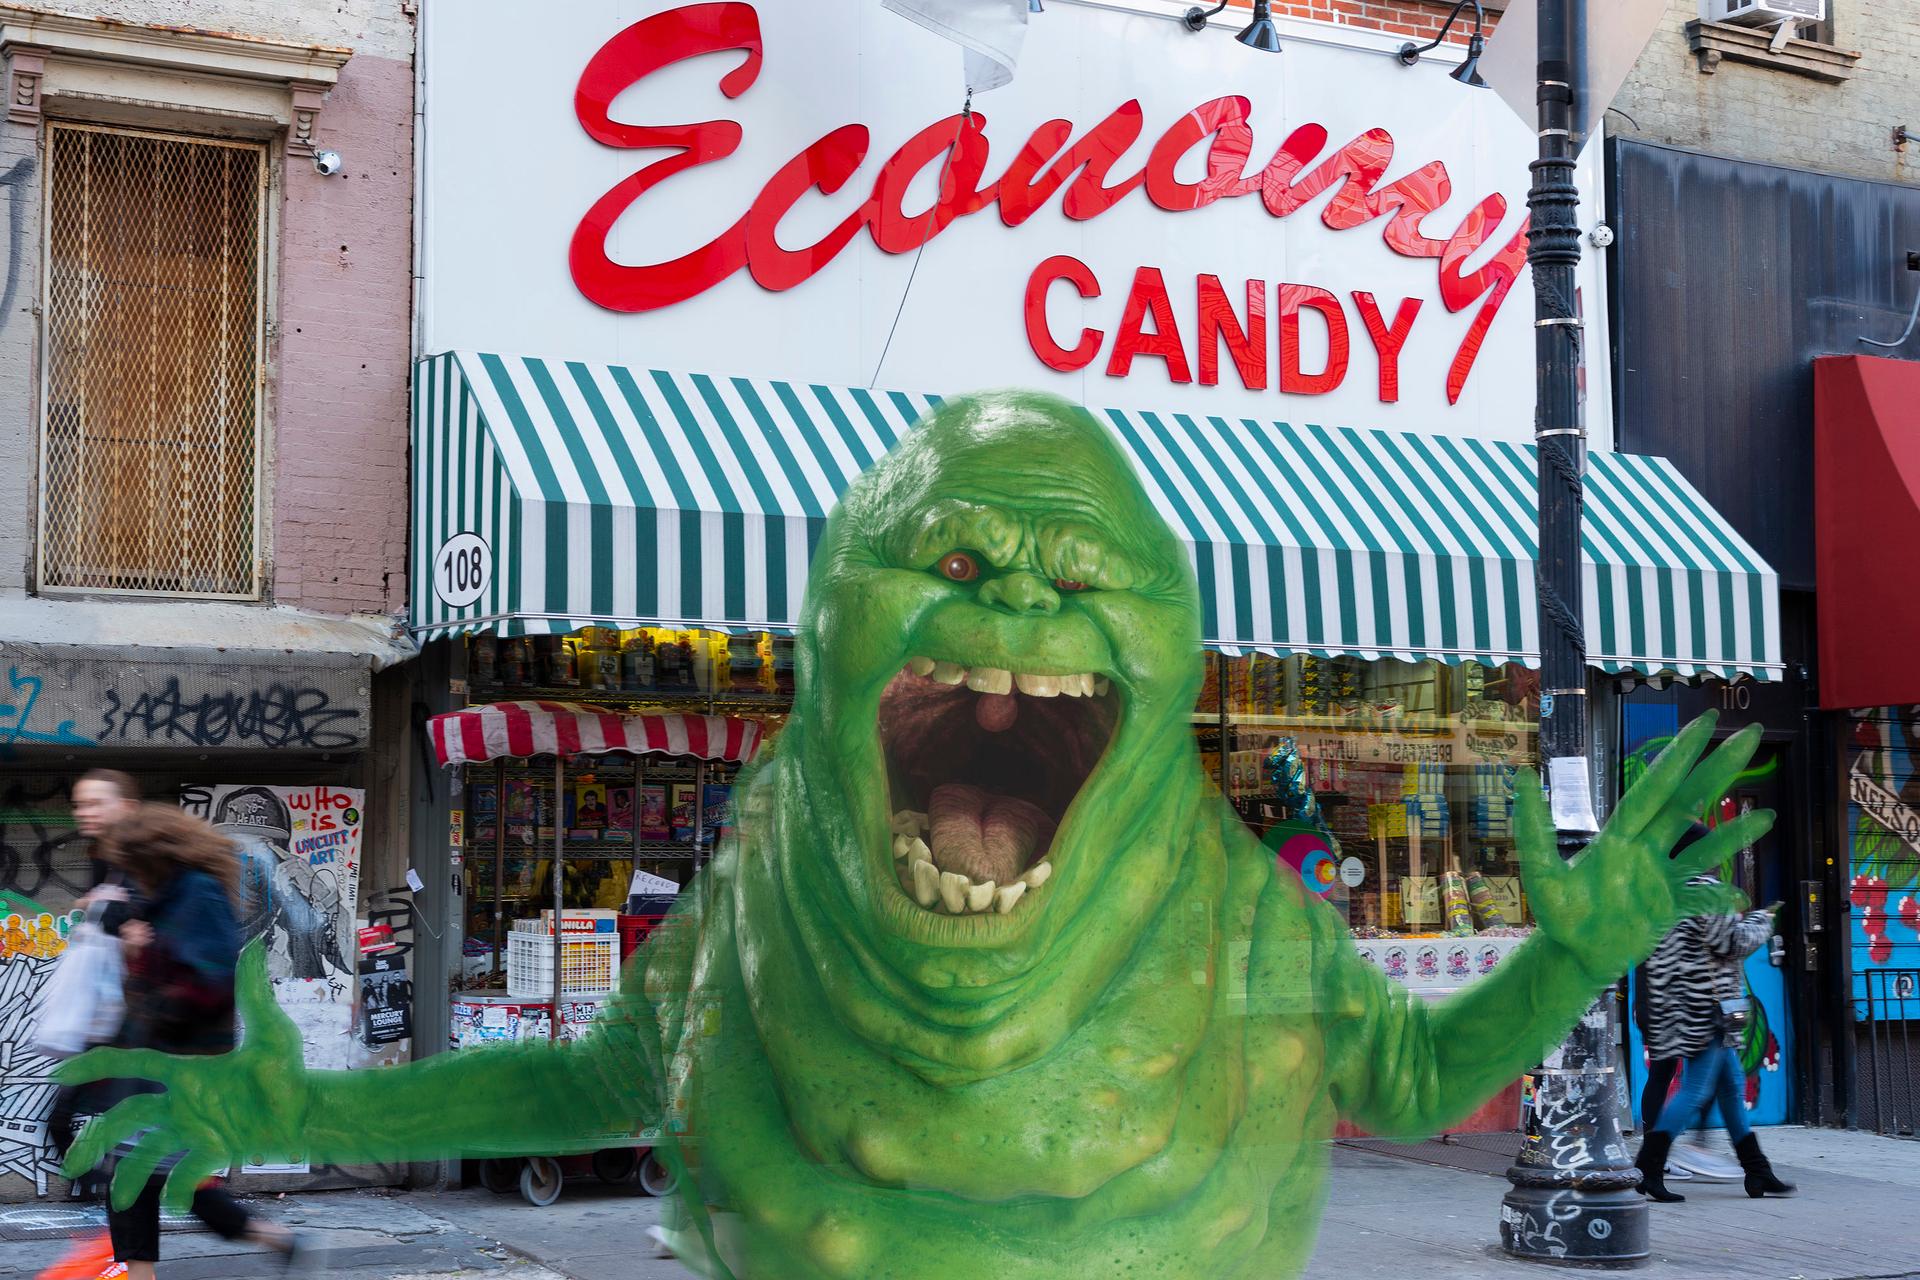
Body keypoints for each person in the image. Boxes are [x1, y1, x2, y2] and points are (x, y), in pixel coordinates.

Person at [87, 804, 308, 1278]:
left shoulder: (197, 893)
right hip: (161, 1061)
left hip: (183, 1066)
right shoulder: (168, 893)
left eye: (131, 863)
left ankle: (273, 1238)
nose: (128, 875)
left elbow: (208, 984)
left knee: (141, 1172)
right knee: (154, 1173)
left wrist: (146, 957)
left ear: (152, 858)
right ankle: (274, 1239)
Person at [1633, 870, 1793, 1203]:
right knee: (1694, 1090)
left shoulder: (1665, 892)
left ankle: (1757, 1170)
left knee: (1732, 1088)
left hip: (1681, 1004)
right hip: (1707, 1007)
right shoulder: (1705, 892)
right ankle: (1649, 1168)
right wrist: (1761, 922)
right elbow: (1730, 943)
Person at [47, 770, 142, 1200]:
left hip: (138, 1023)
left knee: (123, 1115)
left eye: (93, 803)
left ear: (124, 807)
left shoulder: (146, 858)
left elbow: (145, 921)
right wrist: (98, 906)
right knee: (67, 1114)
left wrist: (109, 912)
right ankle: (101, 1185)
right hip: (108, 1019)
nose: (82, 812)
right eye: (78, 804)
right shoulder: (104, 855)